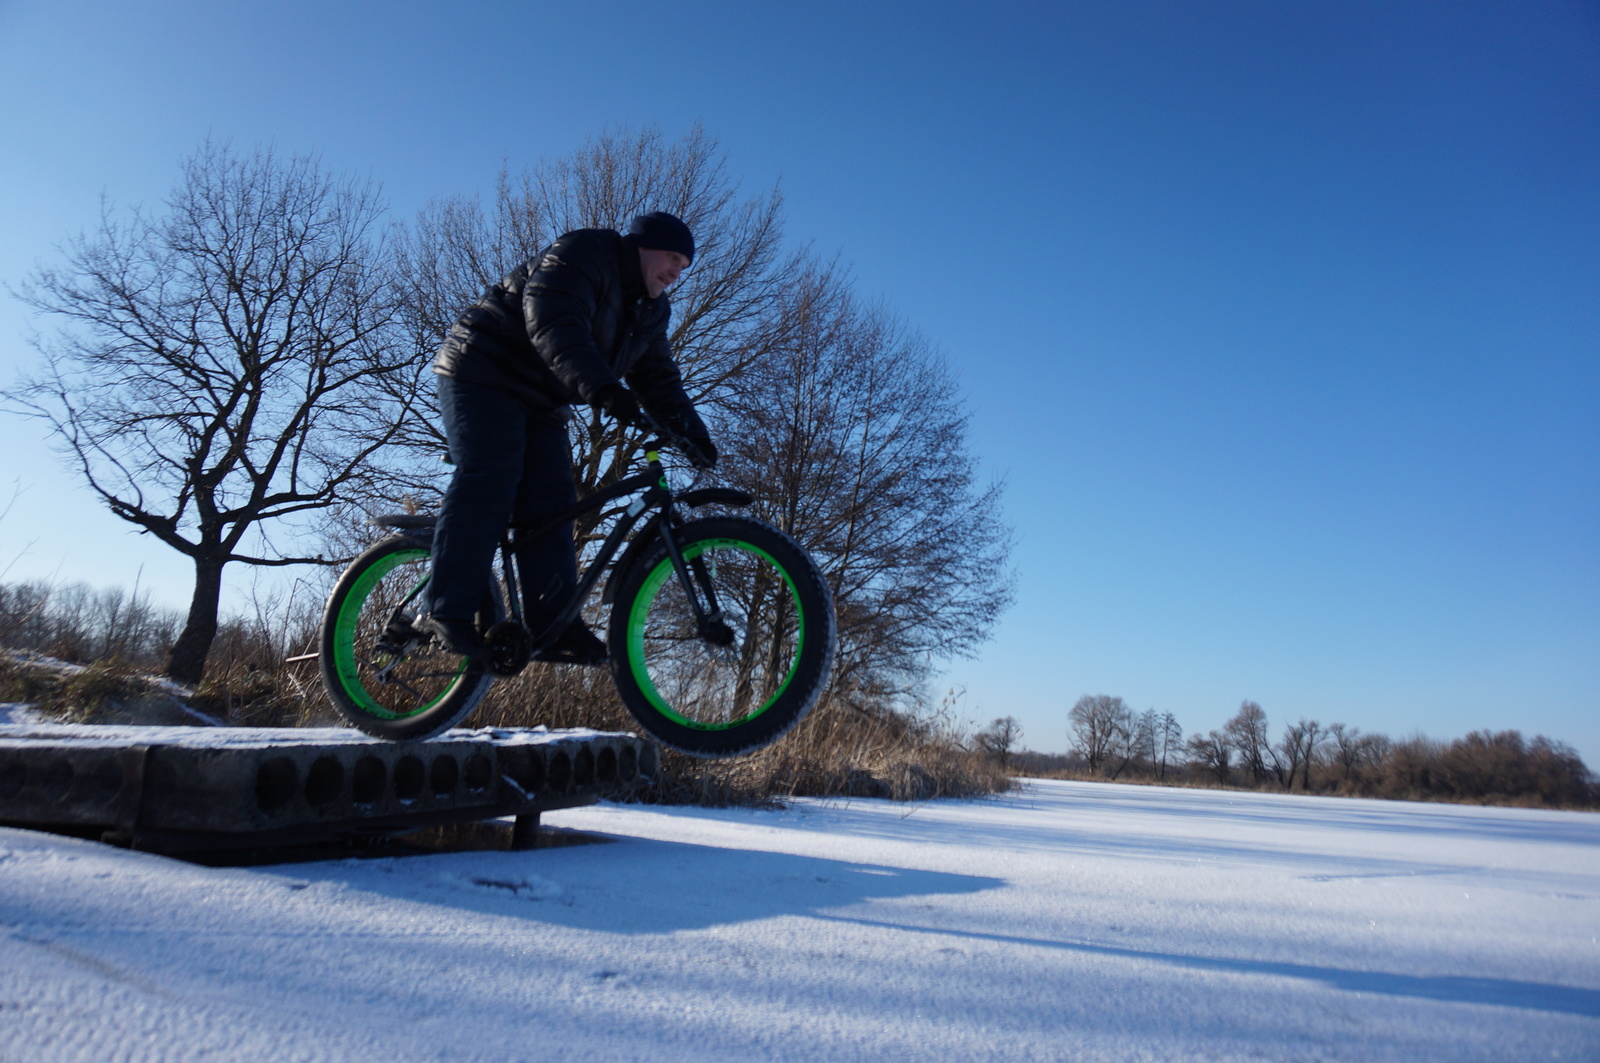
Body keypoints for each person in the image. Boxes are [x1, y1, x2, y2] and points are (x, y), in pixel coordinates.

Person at [422, 211, 717, 664]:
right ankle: (450, 609)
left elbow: (658, 378)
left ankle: (553, 625)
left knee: (554, 502)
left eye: (685, 265)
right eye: (672, 257)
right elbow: (554, 323)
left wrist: (690, 433)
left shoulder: (652, 311)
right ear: (642, 246)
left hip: (543, 397)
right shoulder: (584, 254)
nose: (678, 271)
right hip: (481, 369)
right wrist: (603, 388)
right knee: (492, 475)